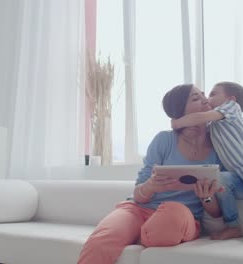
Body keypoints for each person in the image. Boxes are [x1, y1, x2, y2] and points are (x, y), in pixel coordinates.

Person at [77, 84, 226, 264]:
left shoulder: (219, 147)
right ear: (180, 111)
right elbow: (138, 196)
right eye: (196, 98)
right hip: (138, 210)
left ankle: (141, 234)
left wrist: (207, 198)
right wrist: (150, 186)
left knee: (171, 215)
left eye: (203, 94)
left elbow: (217, 211)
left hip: (182, 216)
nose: (205, 98)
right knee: (101, 240)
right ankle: (140, 232)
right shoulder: (164, 140)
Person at [172, 81, 243, 244]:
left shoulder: (232, 108)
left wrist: (177, 122)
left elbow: (200, 117)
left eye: (213, 94)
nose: (208, 98)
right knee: (221, 178)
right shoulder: (212, 125)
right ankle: (232, 226)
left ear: (231, 99)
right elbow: (198, 129)